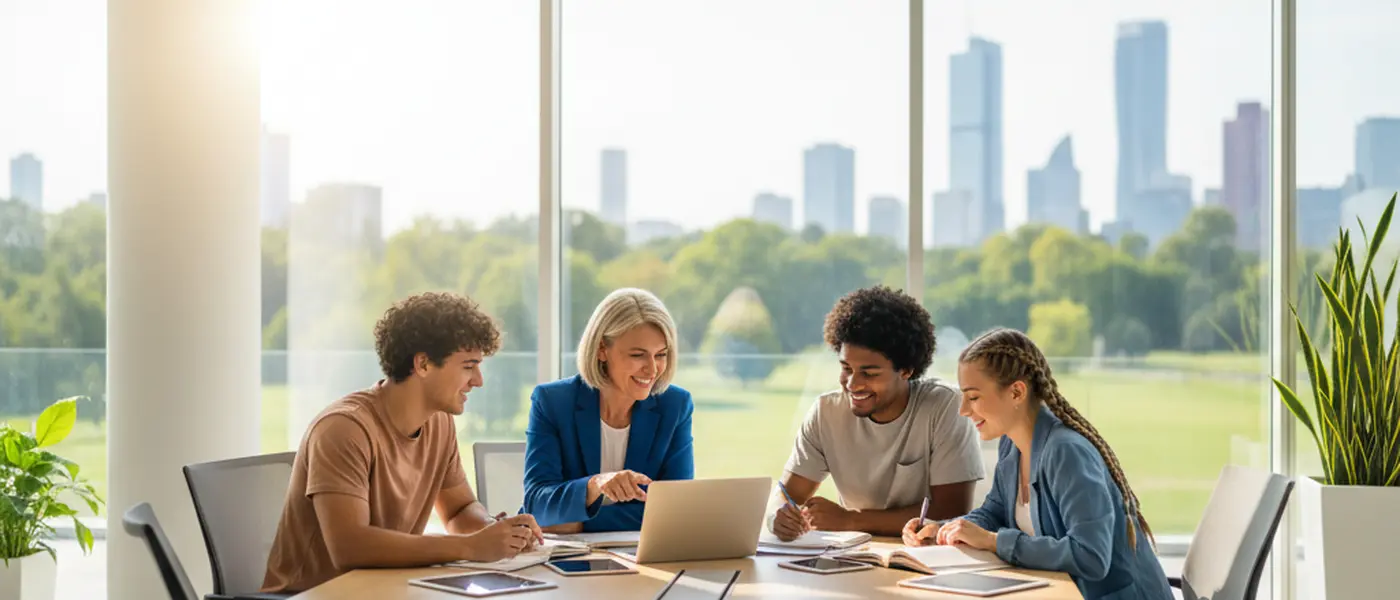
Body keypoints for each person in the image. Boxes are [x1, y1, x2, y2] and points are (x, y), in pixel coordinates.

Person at [261, 292, 543, 594]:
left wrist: (494, 531)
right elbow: (349, 547)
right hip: (314, 595)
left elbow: (459, 510)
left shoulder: (439, 422)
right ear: (423, 364)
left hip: (383, 589)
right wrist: (469, 547)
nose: (478, 380)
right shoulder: (343, 429)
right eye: (468, 366)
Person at [901, 328, 1172, 600]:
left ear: (1017, 392)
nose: (963, 410)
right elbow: (994, 513)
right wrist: (946, 529)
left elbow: (1091, 556)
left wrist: (994, 542)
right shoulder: (1012, 446)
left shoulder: (1067, 452)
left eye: (973, 397)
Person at [769, 285, 984, 541]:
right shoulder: (826, 413)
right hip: (857, 554)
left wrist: (850, 520)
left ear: (906, 370)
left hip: (924, 554)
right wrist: (780, 515)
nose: (852, 384)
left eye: (869, 373)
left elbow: (952, 512)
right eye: (846, 368)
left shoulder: (944, 407)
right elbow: (786, 494)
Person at [522, 288, 694, 532]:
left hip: (640, 553)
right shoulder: (553, 402)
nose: (653, 369)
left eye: (661, 355)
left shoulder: (675, 406)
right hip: (565, 555)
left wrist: (579, 523)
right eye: (638, 355)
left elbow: (677, 510)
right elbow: (537, 505)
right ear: (602, 349)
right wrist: (595, 485)